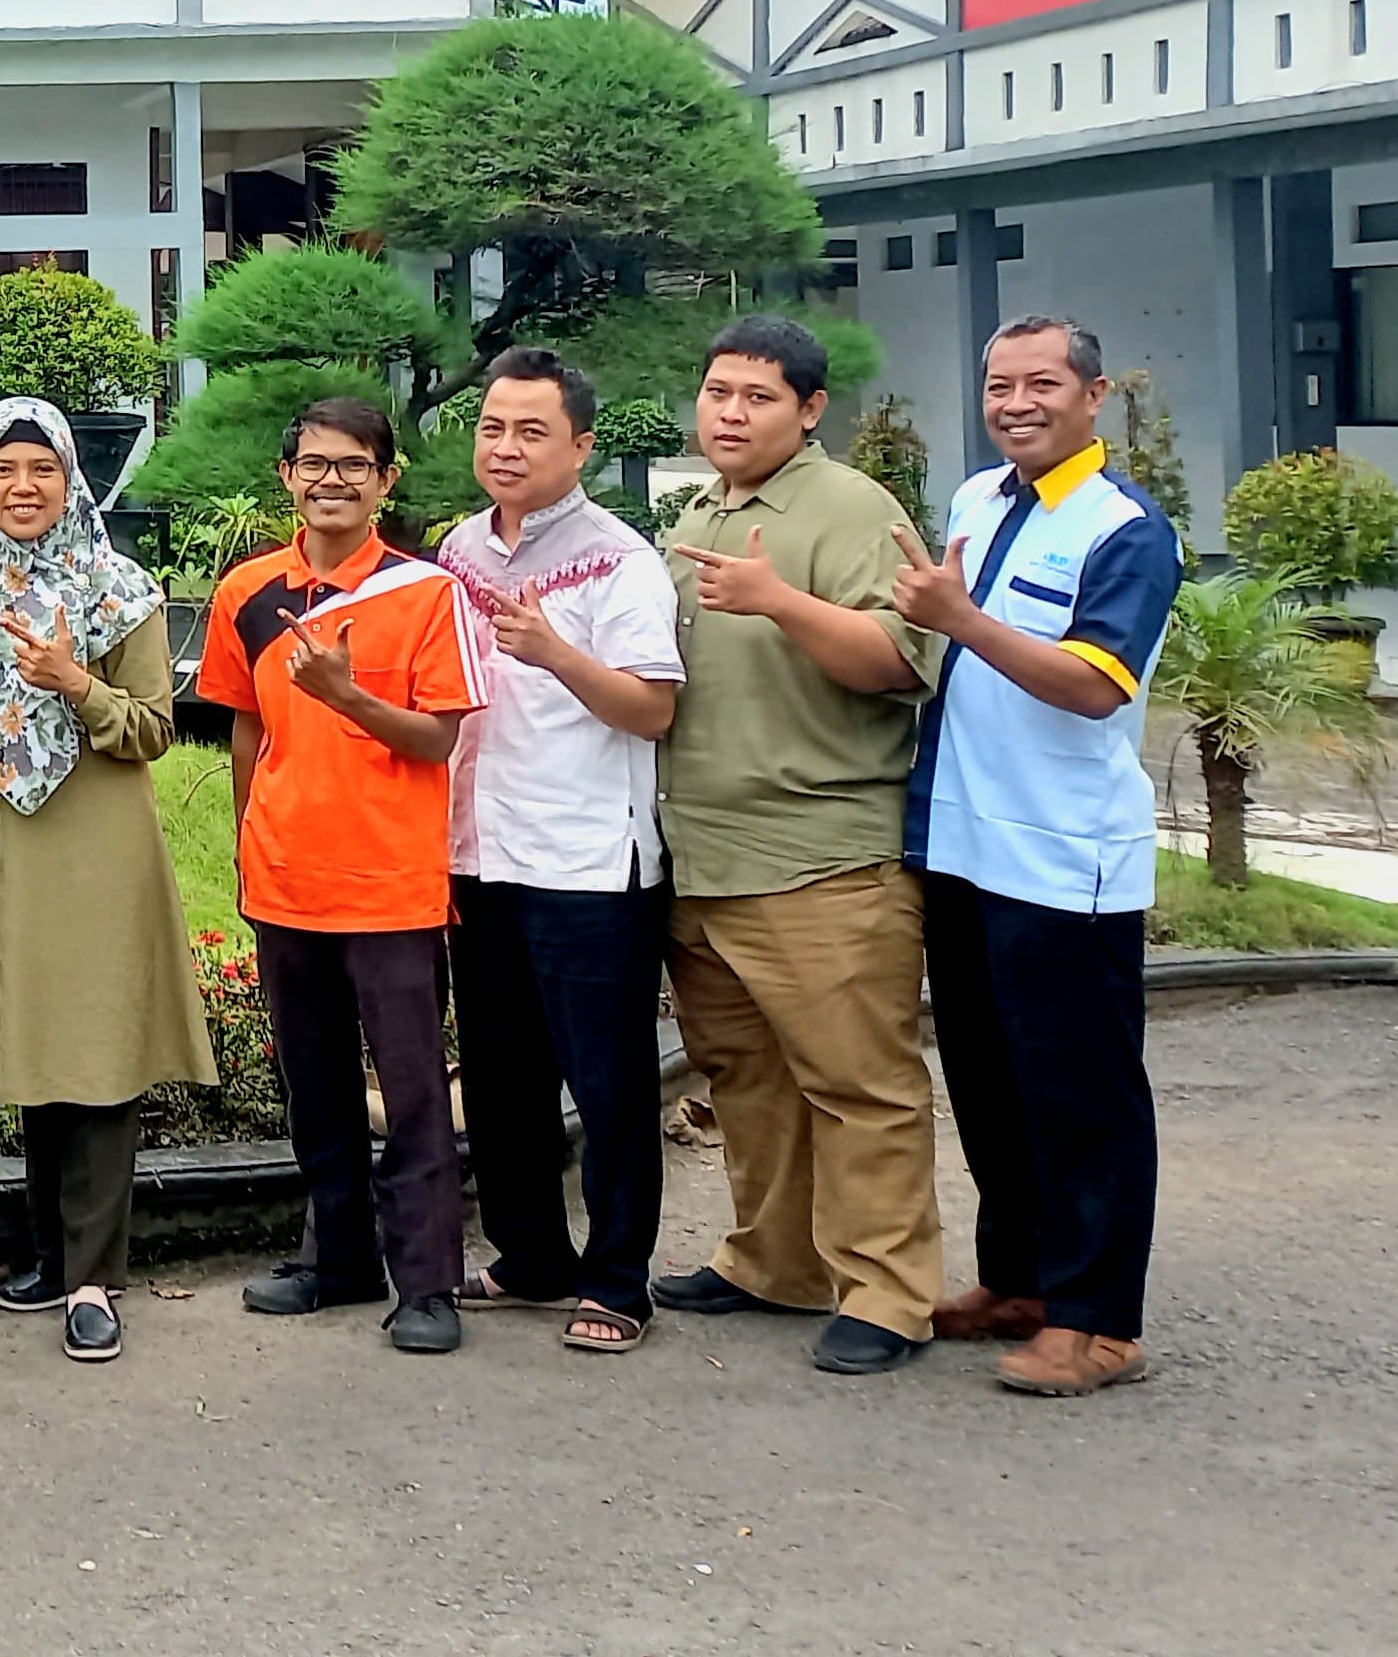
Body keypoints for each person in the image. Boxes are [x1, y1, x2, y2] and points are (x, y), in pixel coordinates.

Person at [654, 311, 947, 1375]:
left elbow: (894, 659)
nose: (728, 414)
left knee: (858, 1084)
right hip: (703, 854)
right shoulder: (698, 506)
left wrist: (779, 603)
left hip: (820, 854)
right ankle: (771, 1261)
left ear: (809, 410)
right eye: (717, 392)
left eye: (757, 397)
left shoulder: (847, 508)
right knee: (744, 1075)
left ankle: (888, 1290)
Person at [895, 317, 1181, 1399]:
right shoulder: (978, 500)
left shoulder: (1123, 529)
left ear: (1093, 394)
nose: (1015, 401)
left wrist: (959, 619)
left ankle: (1098, 1322)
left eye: (1041, 384)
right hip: (965, 848)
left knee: (1080, 1099)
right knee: (989, 1084)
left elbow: (1094, 682)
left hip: (1065, 864)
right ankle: (1015, 1282)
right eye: (997, 383)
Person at [200, 395, 489, 1357]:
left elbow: (437, 739)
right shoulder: (249, 591)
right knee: (312, 1083)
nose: (333, 480)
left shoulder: (421, 592)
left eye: (353, 466)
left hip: (391, 882)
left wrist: (346, 695)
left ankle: (427, 1282)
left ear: (384, 482)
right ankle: (336, 1259)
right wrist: (250, 835)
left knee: (411, 1096)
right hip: (286, 875)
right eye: (314, 464)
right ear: (286, 476)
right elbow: (245, 723)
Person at [0, 395, 215, 1370]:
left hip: (94, 836)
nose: (22, 489)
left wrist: (72, 681)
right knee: (35, 1036)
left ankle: (93, 1277)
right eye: (2, 471)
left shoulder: (118, 589)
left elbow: (149, 729)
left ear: (70, 481)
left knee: (94, 1042)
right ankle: (48, 1254)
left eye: (41, 470)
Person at [436, 350, 683, 1357]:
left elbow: (651, 707)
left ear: (580, 444)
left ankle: (618, 1277)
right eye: (492, 427)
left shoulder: (621, 560)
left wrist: (556, 653)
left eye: (530, 432)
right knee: (498, 1073)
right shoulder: (456, 546)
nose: (505, 447)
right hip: (478, 851)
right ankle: (529, 1253)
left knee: (608, 1077)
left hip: (587, 861)